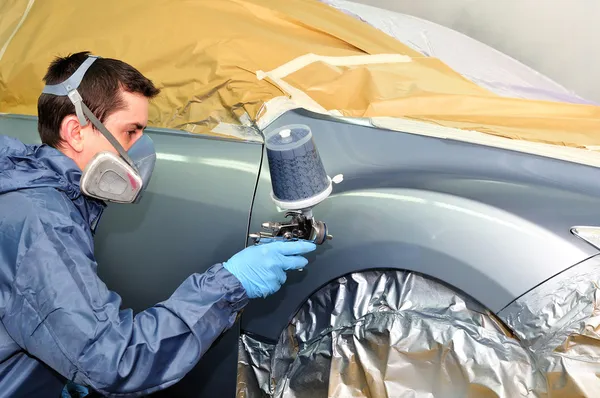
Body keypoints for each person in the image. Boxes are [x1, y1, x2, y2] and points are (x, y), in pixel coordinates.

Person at [0, 51, 317, 397]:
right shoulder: (41, 221)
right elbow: (117, 361)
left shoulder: (30, 186)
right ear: (76, 131)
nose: (139, 153)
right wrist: (230, 284)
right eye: (130, 132)